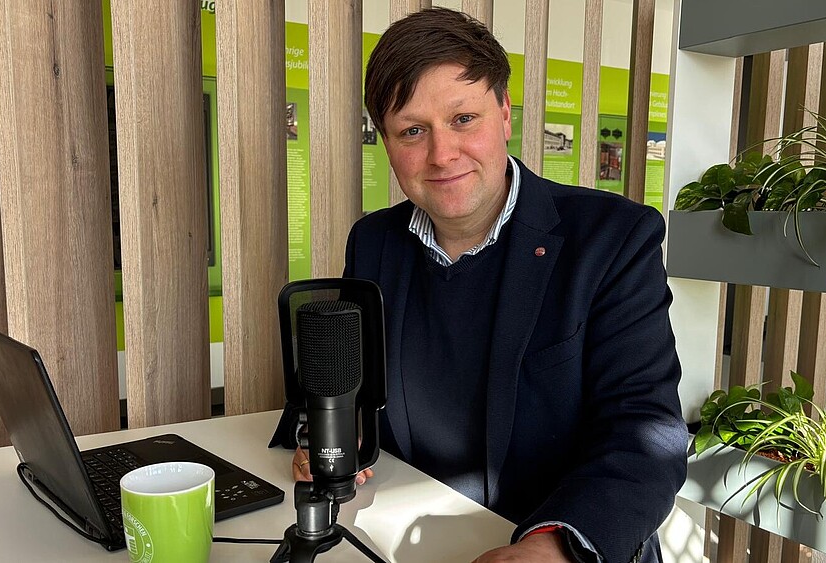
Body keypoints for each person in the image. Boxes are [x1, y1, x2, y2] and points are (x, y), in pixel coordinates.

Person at [291, 8, 687, 563]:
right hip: (402, 540)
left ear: (503, 113)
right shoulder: (373, 244)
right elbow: (353, 390)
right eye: (412, 130)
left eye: (462, 119)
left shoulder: (612, 240)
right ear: (386, 142)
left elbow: (649, 436)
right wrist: (334, 437)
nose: (441, 154)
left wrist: (555, 547)